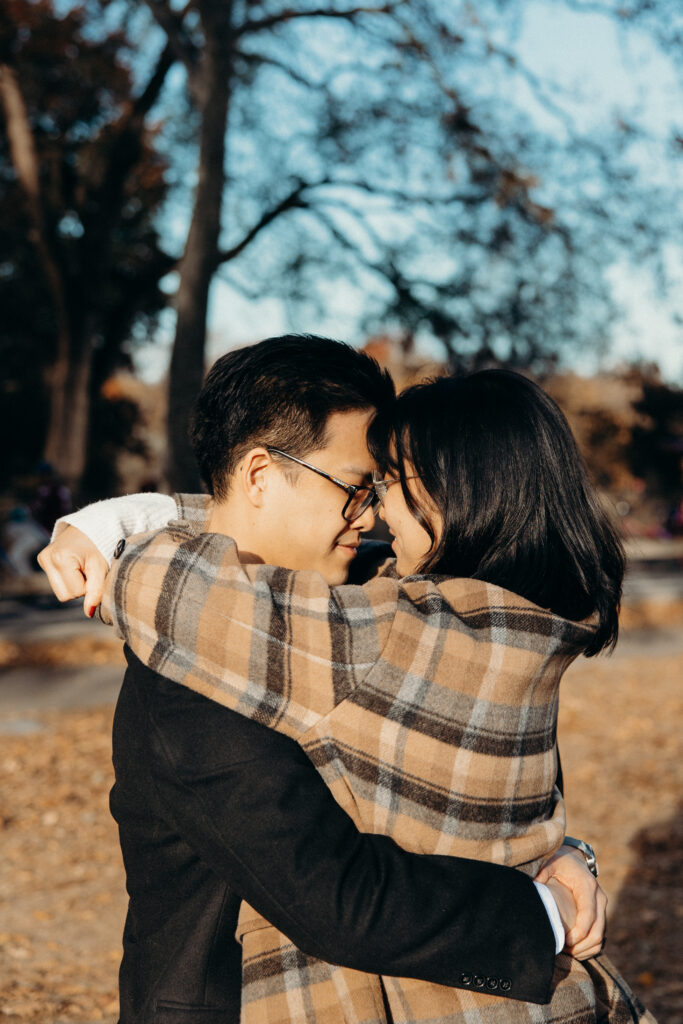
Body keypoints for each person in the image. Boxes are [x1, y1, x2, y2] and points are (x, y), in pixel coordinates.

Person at [40, 337, 608, 1022]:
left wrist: (564, 852)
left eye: (378, 490)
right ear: (258, 476)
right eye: (353, 486)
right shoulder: (188, 670)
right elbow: (338, 900)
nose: (368, 515)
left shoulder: (373, 604)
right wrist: (542, 905)